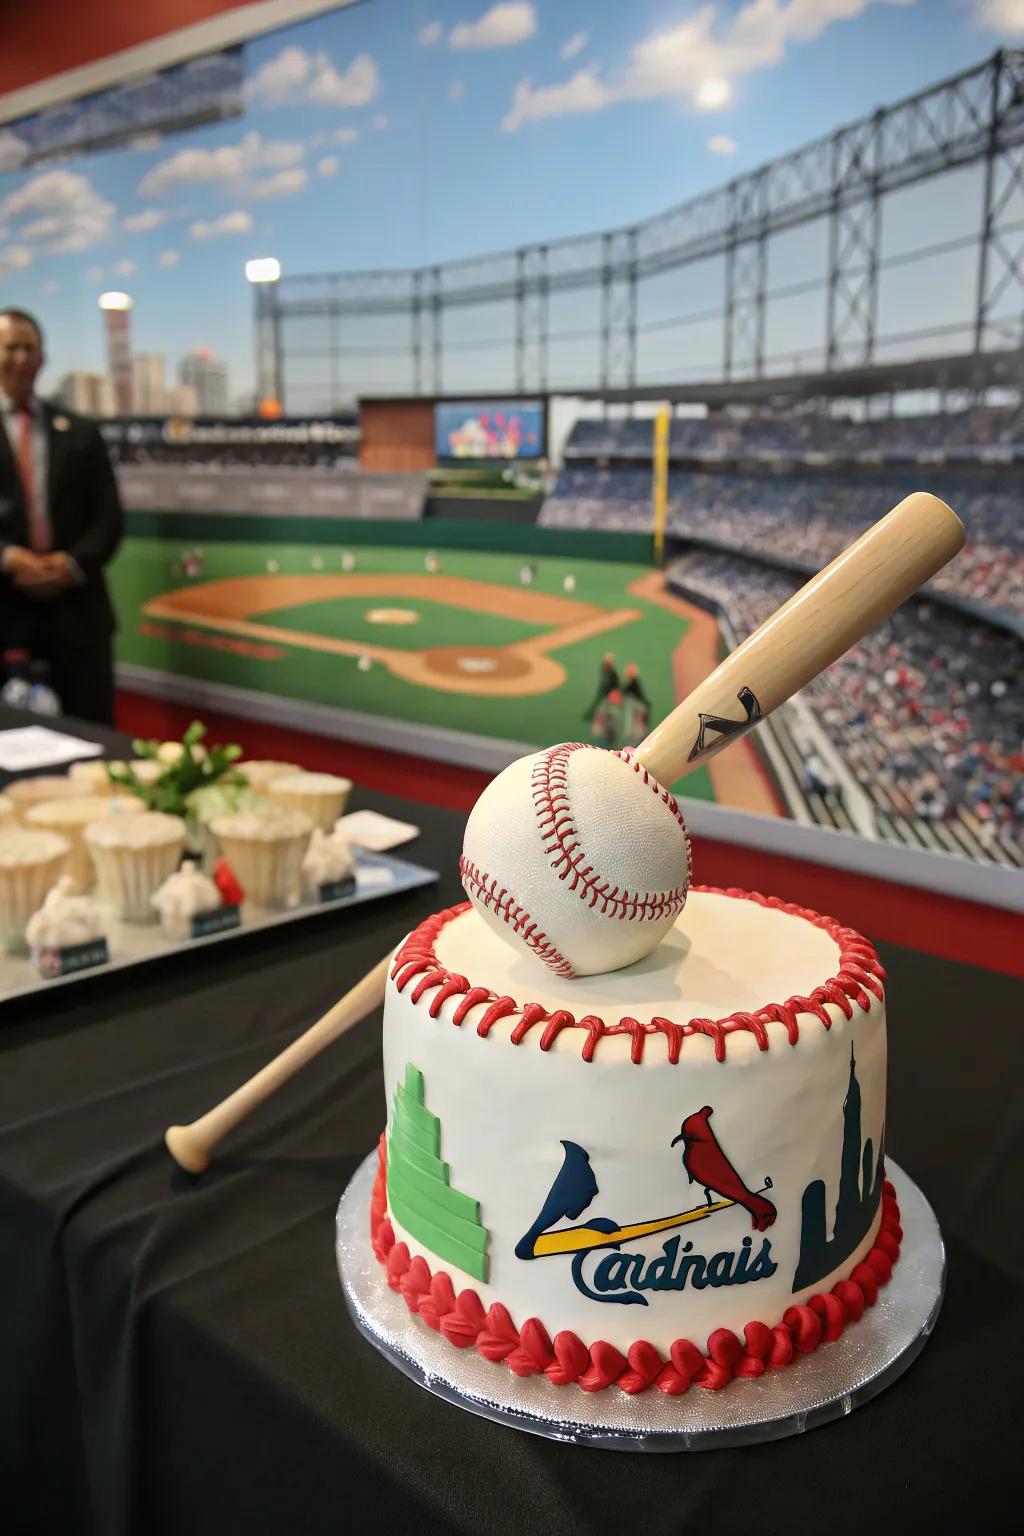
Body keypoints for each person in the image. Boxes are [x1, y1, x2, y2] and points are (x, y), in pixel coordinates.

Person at [0, 309, 123, 723]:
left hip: (78, 620)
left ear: (42, 358)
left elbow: (108, 519)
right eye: (9, 347)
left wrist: (69, 565)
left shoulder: (80, 432)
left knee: (94, 741)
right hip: (6, 614)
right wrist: (10, 558)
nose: (19, 357)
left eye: (28, 348)